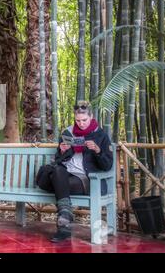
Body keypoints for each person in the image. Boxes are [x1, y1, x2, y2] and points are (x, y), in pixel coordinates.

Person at [36, 100, 113, 243]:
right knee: (58, 171)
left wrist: (97, 150)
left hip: (87, 179)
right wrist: (62, 150)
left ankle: (64, 226)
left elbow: (107, 165)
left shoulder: (100, 135)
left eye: (84, 120)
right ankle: (65, 216)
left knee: (58, 180)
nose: (81, 123)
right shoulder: (68, 132)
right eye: (78, 120)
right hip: (65, 175)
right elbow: (60, 159)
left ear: (91, 117)